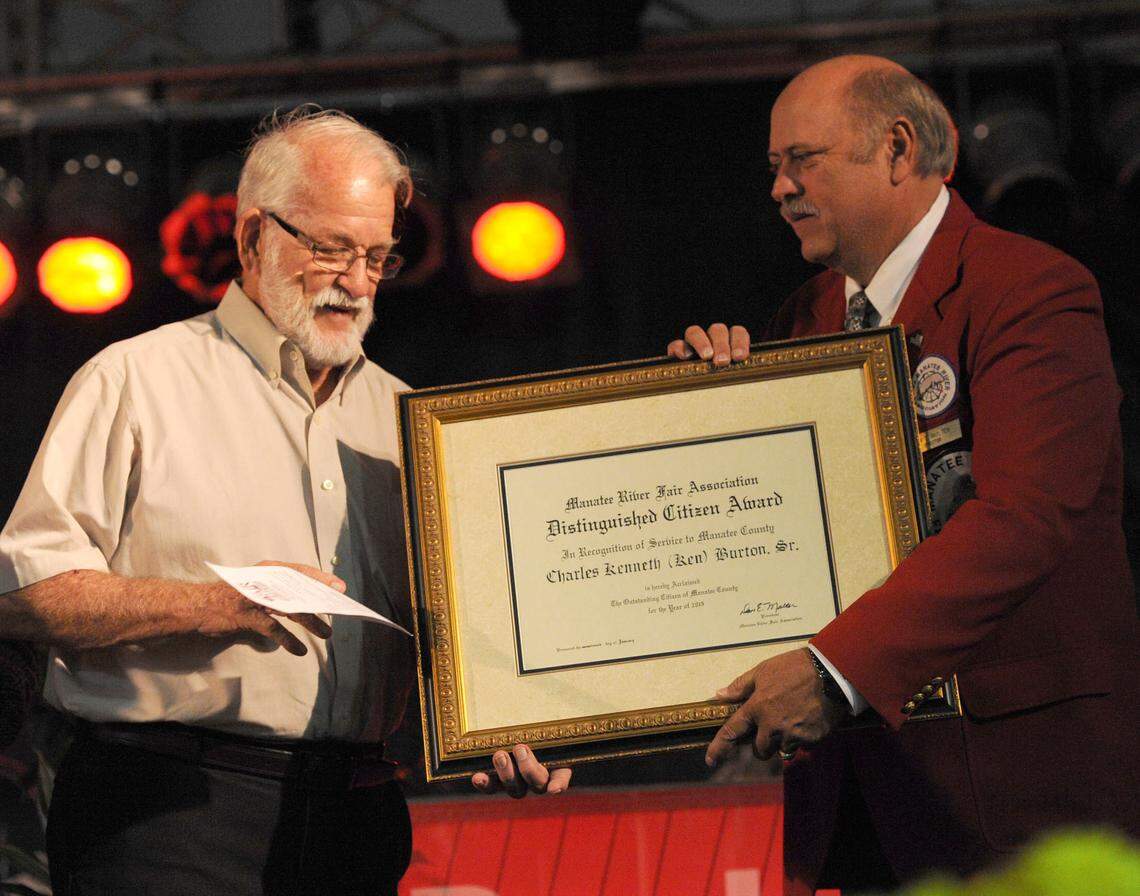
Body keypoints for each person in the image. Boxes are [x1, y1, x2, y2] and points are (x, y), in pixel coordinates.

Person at [0, 107, 558, 896]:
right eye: (331, 249)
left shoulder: (411, 420)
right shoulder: (134, 382)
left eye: (377, 256)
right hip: (167, 813)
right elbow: (22, 595)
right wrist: (209, 605)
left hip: (357, 816)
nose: (357, 282)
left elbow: (457, 633)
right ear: (253, 236)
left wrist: (509, 725)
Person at [669, 55, 1140, 894]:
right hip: (857, 808)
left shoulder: (1030, 289)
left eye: (801, 159)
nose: (779, 188)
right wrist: (704, 410)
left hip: (1012, 799)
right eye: (774, 167)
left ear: (895, 149)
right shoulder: (804, 321)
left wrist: (832, 670)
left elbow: (1023, 519)